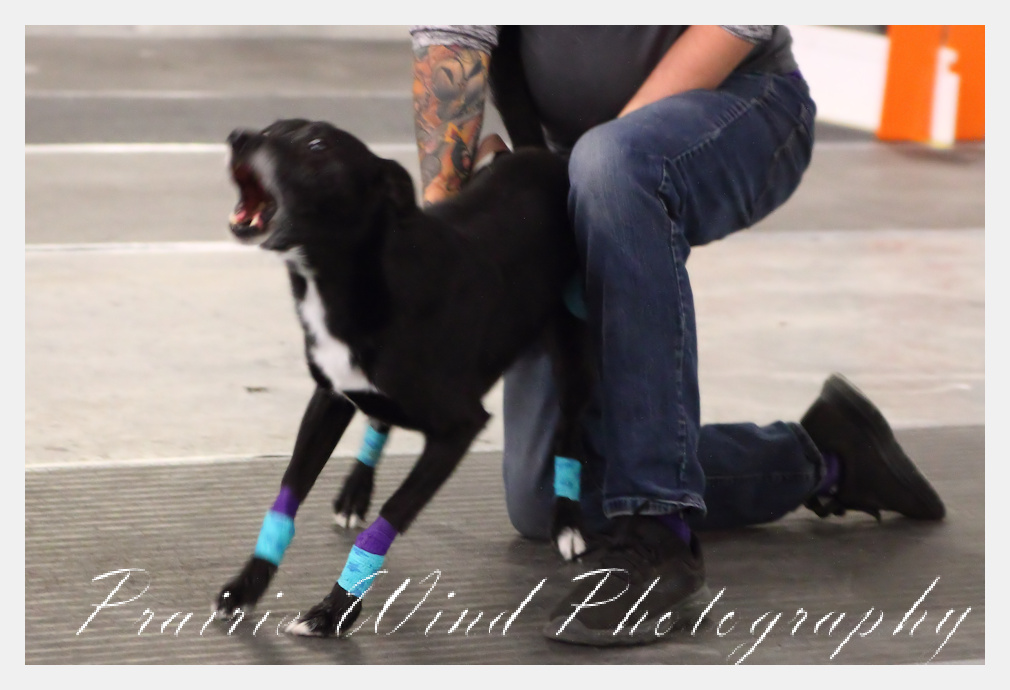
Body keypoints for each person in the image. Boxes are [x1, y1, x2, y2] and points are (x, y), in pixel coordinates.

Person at [403, 25, 946, 646]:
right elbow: (452, 35)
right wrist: (449, 239)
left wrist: (577, 187)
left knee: (613, 165)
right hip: (573, 157)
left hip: (743, 102)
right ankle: (827, 456)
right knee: (548, 497)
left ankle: (660, 533)